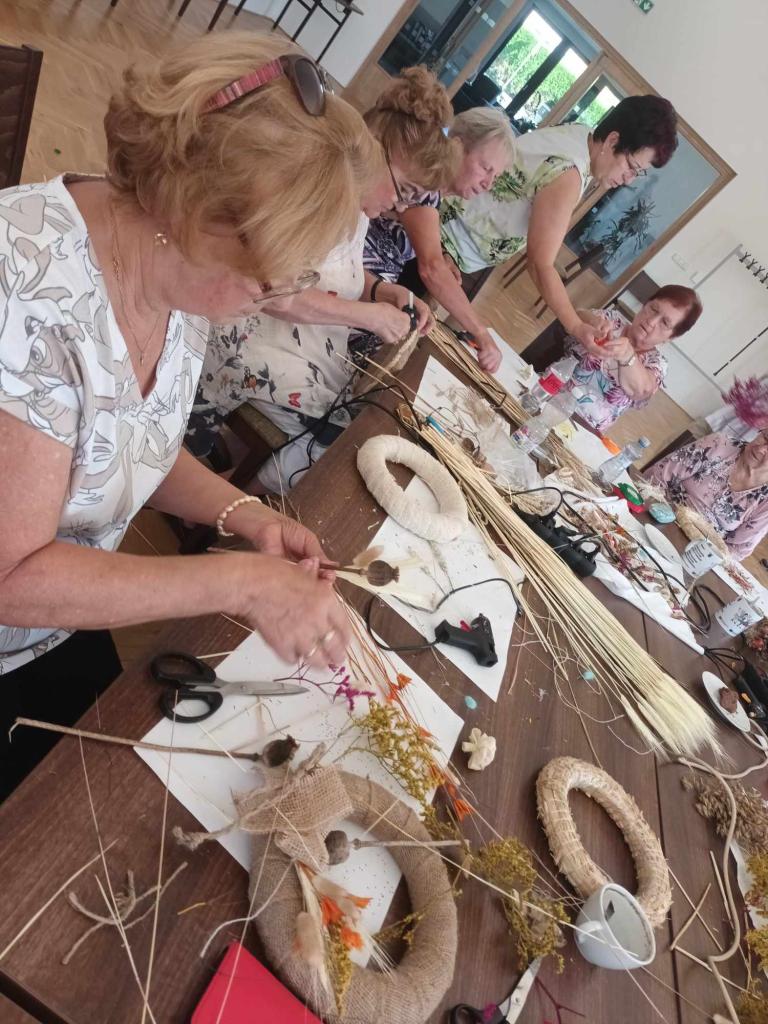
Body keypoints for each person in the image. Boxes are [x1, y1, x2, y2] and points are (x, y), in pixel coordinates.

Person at [0, 32, 379, 797]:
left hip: (50, 631)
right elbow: (10, 576)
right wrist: (239, 584)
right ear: (204, 215)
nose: (273, 299)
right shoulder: (28, 296)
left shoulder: (174, 274)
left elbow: (129, 437)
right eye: (271, 281)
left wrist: (243, 514)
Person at [187, 66, 456, 490]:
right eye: (402, 190)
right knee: (337, 441)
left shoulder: (357, 204)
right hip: (245, 326)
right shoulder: (318, 193)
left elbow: (338, 269)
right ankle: (228, 497)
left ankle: (233, 480)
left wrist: (382, 290)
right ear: (375, 150)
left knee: (357, 416)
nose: (400, 207)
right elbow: (276, 291)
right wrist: (367, 316)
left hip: (294, 337)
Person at [439, 96, 679, 352]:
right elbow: (540, 264)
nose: (629, 179)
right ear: (612, 141)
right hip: (449, 247)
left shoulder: (579, 134)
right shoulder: (569, 173)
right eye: (632, 167)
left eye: (638, 173)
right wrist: (575, 326)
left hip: (452, 234)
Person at [357, 105, 515, 372]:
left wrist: (441, 253)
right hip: (352, 287)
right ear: (457, 147)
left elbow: (424, 244)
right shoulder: (425, 185)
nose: (488, 184)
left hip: (368, 289)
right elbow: (432, 269)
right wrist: (481, 333)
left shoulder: (433, 194)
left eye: (495, 176)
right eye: (485, 168)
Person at [560, 285, 702, 431]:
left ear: (671, 337)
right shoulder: (614, 321)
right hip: (554, 392)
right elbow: (576, 316)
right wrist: (591, 319)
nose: (651, 322)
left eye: (665, 323)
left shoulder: (656, 363)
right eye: (653, 309)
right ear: (645, 304)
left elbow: (642, 390)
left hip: (582, 427)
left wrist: (628, 356)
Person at [646, 431, 768, 561]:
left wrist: (700, 557)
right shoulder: (720, 444)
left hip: (695, 553)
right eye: (765, 437)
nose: (760, 449)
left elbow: (737, 549)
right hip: (655, 515)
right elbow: (657, 476)